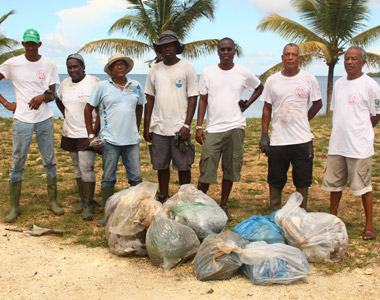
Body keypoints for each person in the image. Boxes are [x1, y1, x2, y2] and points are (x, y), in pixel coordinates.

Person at [196, 37, 263, 220]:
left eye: (229, 49)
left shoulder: (243, 72)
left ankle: (223, 205)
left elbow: (259, 87)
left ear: (234, 51)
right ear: (218, 52)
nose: (226, 53)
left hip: (236, 126)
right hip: (214, 128)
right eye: (222, 50)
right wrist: (199, 126)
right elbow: (203, 99)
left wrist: (247, 104)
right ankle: (200, 204)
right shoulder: (208, 72)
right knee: (207, 166)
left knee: (230, 168)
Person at [0, 28, 63, 222]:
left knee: (49, 160)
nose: (31, 47)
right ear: (23, 44)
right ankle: (14, 207)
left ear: (39, 44)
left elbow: (52, 94)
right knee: (18, 161)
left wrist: (41, 97)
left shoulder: (49, 64)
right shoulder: (12, 64)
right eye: (28, 43)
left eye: (34, 43)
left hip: (44, 119)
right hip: (22, 119)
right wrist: (6, 103)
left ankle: (53, 202)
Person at [322, 46, 380, 241]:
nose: (349, 62)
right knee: (334, 185)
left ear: (362, 62)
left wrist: (362, 131)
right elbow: (337, 111)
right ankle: (333, 220)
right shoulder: (339, 84)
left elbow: (377, 113)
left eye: (354, 59)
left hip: (359, 146)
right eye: (347, 58)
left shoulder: (371, 85)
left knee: (363, 186)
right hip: (337, 144)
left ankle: (369, 225)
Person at [259, 43, 322, 211]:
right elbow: (266, 108)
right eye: (287, 54)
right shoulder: (272, 80)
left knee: (302, 179)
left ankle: (300, 212)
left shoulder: (308, 79)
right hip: (278, 140)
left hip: (302, 139)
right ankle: (274, 211)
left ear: (299, 58)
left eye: (294, 54)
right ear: (282, 58)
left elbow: (318, 103)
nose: (290, 57)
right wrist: (264, 135)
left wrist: (305, 119)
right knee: (276, 178)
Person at [85, 53, 144, 226]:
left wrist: (136, 127)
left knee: (136, 178)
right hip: (109, 141)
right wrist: (91, 135)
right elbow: (89, 109)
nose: (119, 67)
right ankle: (108, 214)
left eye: (122, 64)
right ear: (110, 69)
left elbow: (139, 107)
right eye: (115, 64)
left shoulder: (136, 85)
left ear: (127, 67)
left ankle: (136, 214)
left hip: (131, 141)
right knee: (108, 178)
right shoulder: (102, 87)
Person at [144, 30, 198, 202]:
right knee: (161, 165)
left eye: (170, 45)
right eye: (163, 46)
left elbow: (192, 98)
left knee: (183, 165)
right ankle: (164, 195)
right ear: (160, 49)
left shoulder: (186, 69)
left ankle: (185, 197)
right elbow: (150, 98)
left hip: (178, 129)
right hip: (159, 128)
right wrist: (147, 126)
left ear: (176, 47)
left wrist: (187, 125)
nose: (167, 49)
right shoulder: (154, 71)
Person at [56, 53, 100, 220]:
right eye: (69, 67)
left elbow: (101, 107)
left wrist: (95, 133)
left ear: (83, 67)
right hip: (70, 132)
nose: (73, 70)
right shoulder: (65, 84)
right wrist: (66, 115)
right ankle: (83, 200)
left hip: (86, 133)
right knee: (77, 167)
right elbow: (58, 100)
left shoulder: (94, 82)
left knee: (86, 167)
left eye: (76, 66)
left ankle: (89, 204)